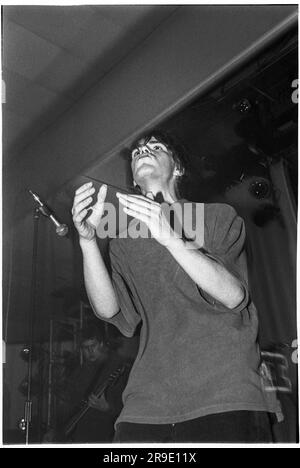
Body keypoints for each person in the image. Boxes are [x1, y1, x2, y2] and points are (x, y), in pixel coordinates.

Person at [71, 129, 278, 443]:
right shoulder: (124, 240)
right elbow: (111, 310)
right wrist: (87, 242)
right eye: (138, 149)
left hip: (224, 392)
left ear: (178, 168)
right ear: (133, 180)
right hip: (147, 402)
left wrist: (168, 235)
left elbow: (233, 295)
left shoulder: (216, 216)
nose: (143, 150)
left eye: (155, 146)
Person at [44, 326, 130, 443]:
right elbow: (69, 404)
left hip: (107, 435)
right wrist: (55, 430)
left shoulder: (119, 367)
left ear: (101, 344)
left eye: (92, 346)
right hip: (81, 435)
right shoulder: (81, 371)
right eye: (85, 348)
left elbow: (131, 405)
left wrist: (108, 407)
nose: (89, 352)